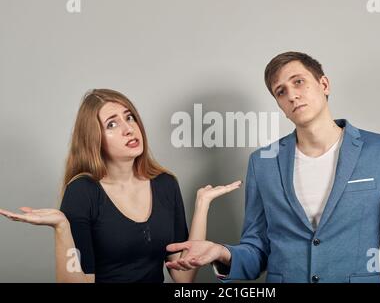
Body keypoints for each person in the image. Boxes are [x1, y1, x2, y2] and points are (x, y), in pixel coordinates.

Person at [165, 52, 380, 283]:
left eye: (299, 82)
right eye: (281, 91)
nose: (292, 94)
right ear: (280, 104)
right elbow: (257, 252)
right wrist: (221, 253)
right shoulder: (263, 162)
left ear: (324, 85)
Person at [0, 89, 241, 283]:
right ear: (94, 138)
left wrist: (202, 206)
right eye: (112, 125)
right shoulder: (83, 191)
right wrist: (62, 228)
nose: (129, 128)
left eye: (130, 117)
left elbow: (183, 276)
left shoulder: (166, 184)